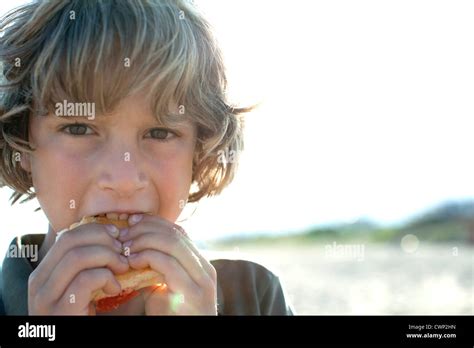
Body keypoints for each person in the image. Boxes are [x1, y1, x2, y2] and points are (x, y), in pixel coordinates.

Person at [0, 0, 293, 315]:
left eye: (159, 133)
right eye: (78, 128)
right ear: (20, 142)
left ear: (198, 151)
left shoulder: (254, 295)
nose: (125, 179)